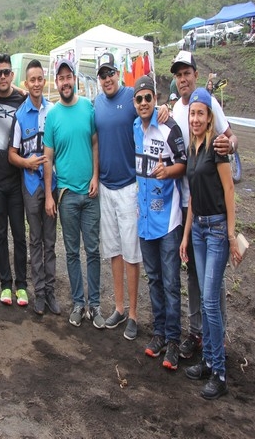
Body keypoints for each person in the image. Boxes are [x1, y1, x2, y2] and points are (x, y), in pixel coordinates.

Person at [170, 50, 238, 360]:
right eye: (178, 74)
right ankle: (198, 332)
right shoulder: (174, 109)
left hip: (211, 205)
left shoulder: (208, 104)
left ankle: (217, 335)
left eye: (187, 72)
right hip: (187, 202)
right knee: (193, 273)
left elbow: (230, 138)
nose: (182, 78)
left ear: (195, 74)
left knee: (214, 276)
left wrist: (230, 144)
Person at [180, 88, 241, 400]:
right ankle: (208, 360)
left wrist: (231, 236)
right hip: (200, 231)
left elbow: (229, 191)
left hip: (217, 230)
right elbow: (192, 197)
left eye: (200, 114)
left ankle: (219, 372)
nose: (195, 119)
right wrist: (187, 235)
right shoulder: (192, 148)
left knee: (210, 303)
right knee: (206, 297)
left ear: (209, 117)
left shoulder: (218, 147)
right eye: (192, 113)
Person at [44, 58, 104, 329]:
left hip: (90, 193)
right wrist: (49, 194)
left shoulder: (88, 108)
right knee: (71, 251)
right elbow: (48, 158)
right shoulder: (53, 116)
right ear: (56, 83)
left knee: (92, 250)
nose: (65, 82)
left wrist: (95, 176)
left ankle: (96, 306)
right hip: (66, 194)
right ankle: (79, 303)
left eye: (69, 77)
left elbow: (94, 144)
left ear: (75, 80)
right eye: (61, 78)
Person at [132, 75, 187, 370]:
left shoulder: (168, 126)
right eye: (138, 99)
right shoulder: (133, 128)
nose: (143, 103)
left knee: (170, 282)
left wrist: (170, 172)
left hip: (167, 220)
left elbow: (184, 162)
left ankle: (174, 341)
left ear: (156, 100)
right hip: (144, 219)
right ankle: (159, 333)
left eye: (148, 98)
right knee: (153, 279)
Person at [94, 53, 143, 340]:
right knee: (113, 250)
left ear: (118, 73)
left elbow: (151, 113)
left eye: (110, 72)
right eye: (102, 75)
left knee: (131, 253)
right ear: (98, 79)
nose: (107, 79)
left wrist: (162, 111)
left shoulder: (132, 97)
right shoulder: (96, 103)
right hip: (105, 187)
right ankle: (120, 307)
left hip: (129, 186)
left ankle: (135, 314)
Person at [9, 59, 60, 316]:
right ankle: (38, 292)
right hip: (30, 185)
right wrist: (25, 162)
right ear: (26, 83)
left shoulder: (54, 111)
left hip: (52, 184)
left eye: (41, 79)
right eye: (33, 80)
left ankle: (51, 291)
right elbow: (11, 154)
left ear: (44, 80)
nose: (37, 84)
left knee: (50, 240)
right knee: (36, 239)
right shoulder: (20, 116)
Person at [0, 53, 28, 306]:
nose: (3, 77)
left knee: (19, 234)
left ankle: (22, 285)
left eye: (6, 72)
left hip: (16, 180)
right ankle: (5, 284)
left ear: (12, 75)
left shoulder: (22, 99)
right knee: (0, 234)